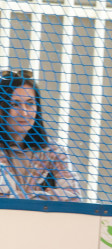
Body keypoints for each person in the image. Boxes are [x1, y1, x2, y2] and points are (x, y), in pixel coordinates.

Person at [0, 69, 81, 201]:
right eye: (14, 104)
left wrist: (28, 198)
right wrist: (46, 196)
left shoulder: (52, 151)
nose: (24, 112)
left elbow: (74, 198)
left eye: (30, 103)